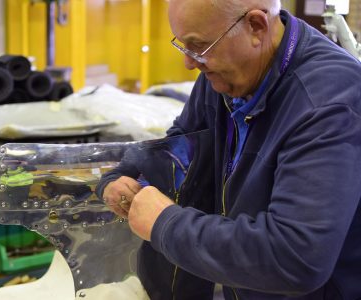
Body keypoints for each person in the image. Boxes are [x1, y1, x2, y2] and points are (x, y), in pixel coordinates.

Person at [96, 0, 361, 299]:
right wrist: (125, 175)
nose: (190, 62)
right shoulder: (225, 75)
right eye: (183, 45)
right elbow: (183, 143)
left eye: (200, 45)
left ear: (256, 27)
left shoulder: (329, 101)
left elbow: (295, 258)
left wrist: (164, 224)